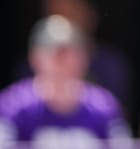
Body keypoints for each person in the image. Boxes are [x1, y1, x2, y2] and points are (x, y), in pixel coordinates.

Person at [0, 15, 131, 147]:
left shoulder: (104, 107)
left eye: (70, 54)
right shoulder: (14, 106)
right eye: (56, 55)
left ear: (84, 59)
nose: (64, 63)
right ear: (34, 58)